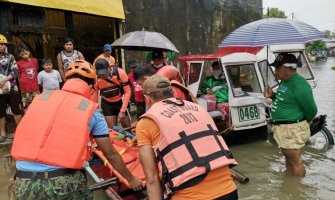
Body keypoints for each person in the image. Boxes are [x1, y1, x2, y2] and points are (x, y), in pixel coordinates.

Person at [11, 60, 143, 199]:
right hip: (62, 183)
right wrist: (131, 179)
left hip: (22, 181)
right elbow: (111, 154)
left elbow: (24, 136)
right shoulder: (90, 110)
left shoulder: (40, 100)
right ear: (91, 86)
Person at [136, 74, 238, 200]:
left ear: (147, 98)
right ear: (172, 92)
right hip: (229, 191)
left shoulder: (146, 123)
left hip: (189, 196)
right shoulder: (198, 109)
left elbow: (151, 178)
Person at [264, 53, 318, 177]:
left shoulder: (300, 84)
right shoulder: (285, 82)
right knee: (289, 160)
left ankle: (298, 190)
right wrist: (272, 94)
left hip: (292, 129)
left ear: (290, 68)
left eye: (277, 68)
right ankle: (290, 186)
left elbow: (311, 109)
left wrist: (300, 123)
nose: (275, 71)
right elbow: (283, 99)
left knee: (295, 162)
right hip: (284, 129)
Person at [95, 59, 131, 128]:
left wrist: (123, 110)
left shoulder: (120, 73)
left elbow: (128, 92)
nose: (103, 75)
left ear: (109, 68)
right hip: (107, 103)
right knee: (112, 129)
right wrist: (96, 112)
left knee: (127, 127)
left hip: (121, 101)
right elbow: (94, 97)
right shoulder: (96, 78)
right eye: (100, 73)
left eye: (104, 72)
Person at [0, 34, 22, 142]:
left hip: (12, 86)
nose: (1, 46)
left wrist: (4, 80)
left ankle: (21, 131)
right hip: (0, 88)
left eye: (2, 44)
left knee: (16, 109)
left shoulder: (11, 56)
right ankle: (2, 133)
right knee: (1, 111)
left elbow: (15, 71)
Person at [16, 45, 40, 110]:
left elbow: (36, 71)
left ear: (29, 52)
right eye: (22, 54)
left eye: (26, 53)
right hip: (25, 88)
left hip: (35, 87)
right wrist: (21, 88)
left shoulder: (35, 60)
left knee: (37, 103)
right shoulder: (18, 63)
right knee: (28, 105)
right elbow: (18, 76)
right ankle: (29, 118)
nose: (24, 55)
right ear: (19, 55)